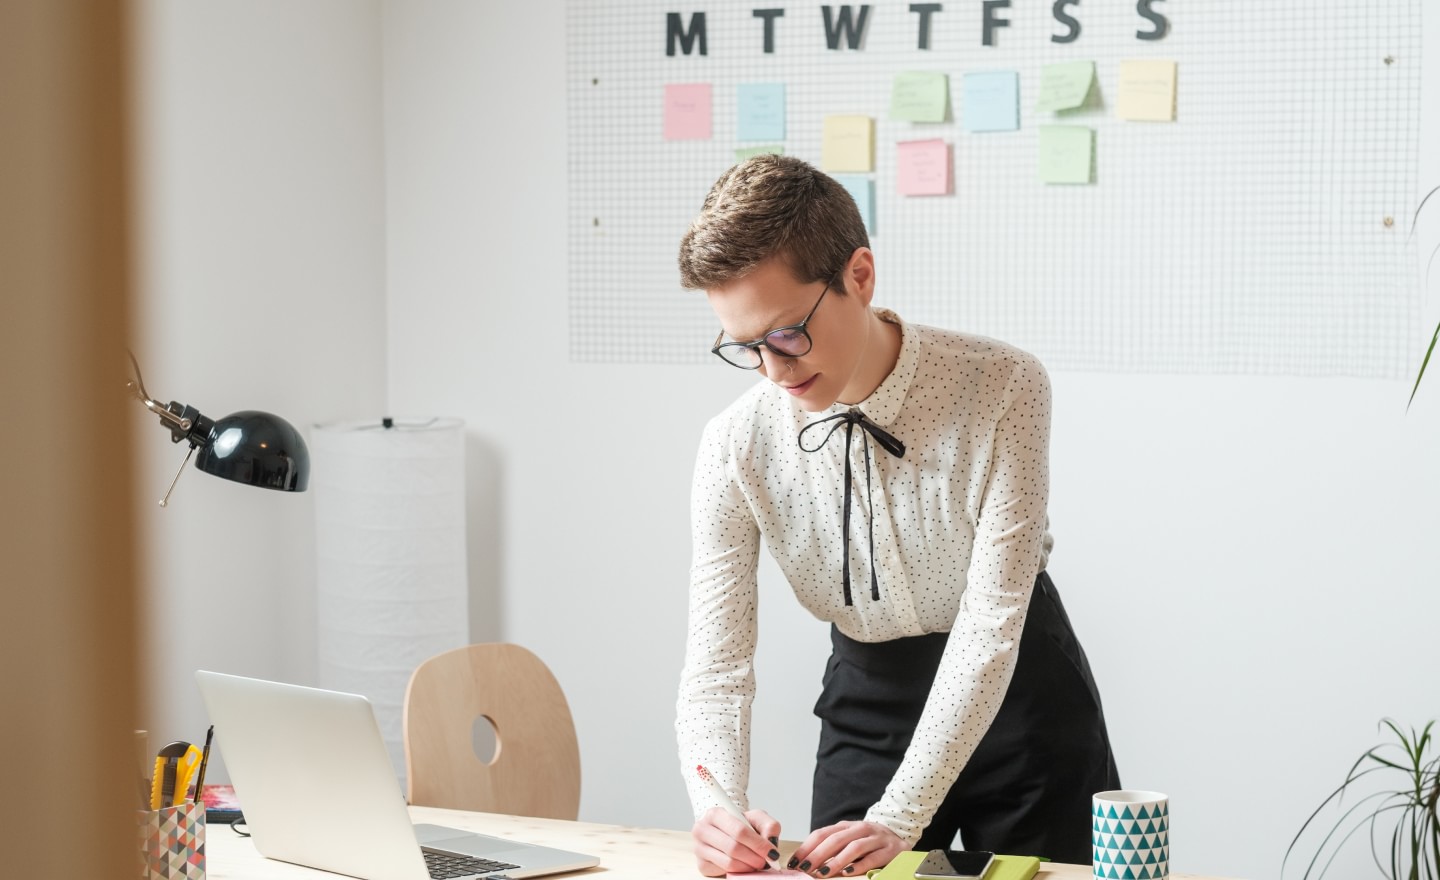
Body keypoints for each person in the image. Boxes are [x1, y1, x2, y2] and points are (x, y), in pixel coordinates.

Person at [674, 154, 1121, 878]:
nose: (774, 371)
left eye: (787, 334)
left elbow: (989, 626)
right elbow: (717, 666)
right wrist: (715, 807)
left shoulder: (1003, 384)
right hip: (867, 702)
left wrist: (899, 817)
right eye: (745, 347)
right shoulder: (734, 445)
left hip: (1022, 696)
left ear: (859, 275)